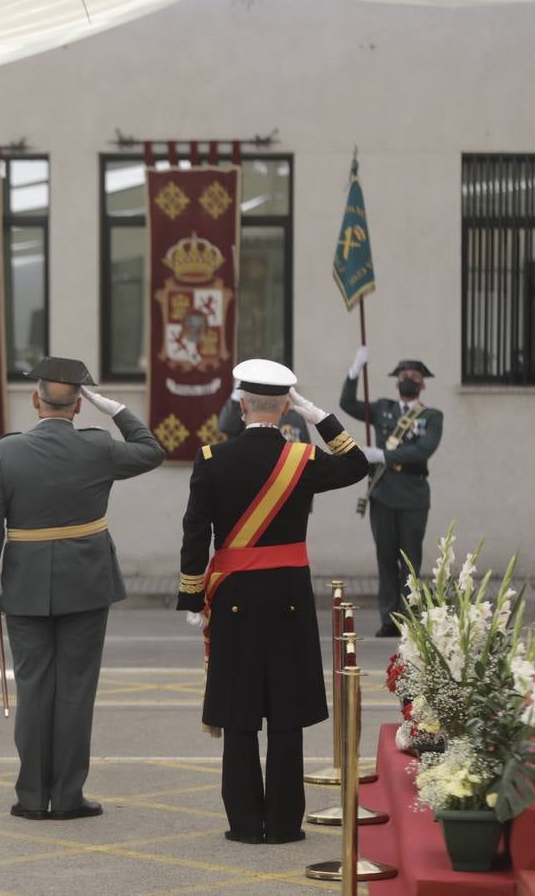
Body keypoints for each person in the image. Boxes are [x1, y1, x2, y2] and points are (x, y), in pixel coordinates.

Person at [177, 359, 368, 845]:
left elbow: (195, 532)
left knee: (239, 711)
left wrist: (192, 597)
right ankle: (284, 826)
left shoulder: (211, 459)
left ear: (240, 405)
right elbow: (356, 465)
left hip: (235, 595)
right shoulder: (303, 459)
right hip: (288, 597)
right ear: (285, 408)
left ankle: (244, 823)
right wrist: (320, 415)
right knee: (286, 712)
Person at [0, 356, 164, 821]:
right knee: (76, 690)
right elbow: (152, 449)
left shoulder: (6, 451)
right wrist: (116, 409)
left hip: (25, 584)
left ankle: (32, 797)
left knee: (35, 689)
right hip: (86, 582)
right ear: (79, 408)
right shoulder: (98, 448)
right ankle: (69, 796)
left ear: (35, 401)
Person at [339, 349, 444, 636]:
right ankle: (389, 618)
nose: (408, 380)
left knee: (410, 559)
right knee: (385, 557)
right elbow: (347, 403)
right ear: (396, 381)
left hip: (413, 495)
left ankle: (409, 616)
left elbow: (423, 449)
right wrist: (355, 369)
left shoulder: (432, 416)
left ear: (422, 384)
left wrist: (382, 454)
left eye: (414, 377)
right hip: (383, 493)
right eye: (403, 376)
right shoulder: (384, 409)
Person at [218, 387, 311, 444]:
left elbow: (306, 454)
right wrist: (236, 396)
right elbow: (226, 426)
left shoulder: (294, 418)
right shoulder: (245, 416)